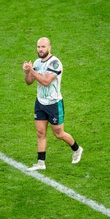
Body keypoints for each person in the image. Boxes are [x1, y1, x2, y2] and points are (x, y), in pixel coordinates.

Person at [22, 37, 83, 171]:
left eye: (43, 47)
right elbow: (29, 82)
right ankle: (41, 163)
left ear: (49, 48)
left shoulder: (55, 63)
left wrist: (32, 70)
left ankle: (77, 149)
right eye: (38, 47)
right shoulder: (37, 62)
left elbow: (45, 81)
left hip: (54, 104)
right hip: (40, 103)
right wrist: (27, 72)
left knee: (59, 133)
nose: (40, 49)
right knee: (40, 133)